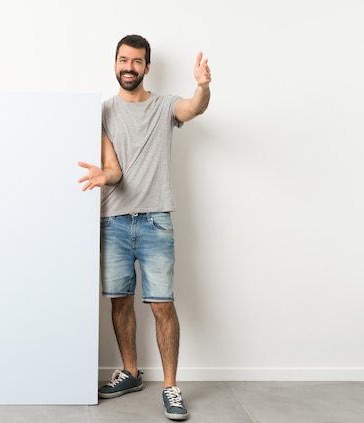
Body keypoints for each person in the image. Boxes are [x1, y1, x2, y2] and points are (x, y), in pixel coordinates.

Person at [77, 34, 211, 421]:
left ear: (147, 67)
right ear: (115, 63)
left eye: (137, 62)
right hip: (112, 221)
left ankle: (170, 386)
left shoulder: (164, 105)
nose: (129, 68)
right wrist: (104, 176)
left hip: (156, 220)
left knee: (162, 305)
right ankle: (131, 373)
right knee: (119, 301)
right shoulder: (101, 111)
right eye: (123, 60)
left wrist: (202, 87)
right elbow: (111, 168)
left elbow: (193, 109)